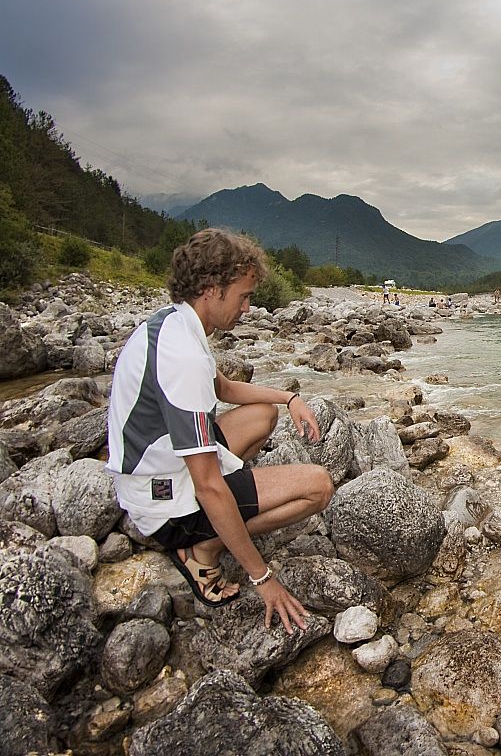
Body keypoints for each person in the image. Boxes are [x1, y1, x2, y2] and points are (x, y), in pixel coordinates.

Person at [106, 228, 335, 632]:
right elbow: (208, 485)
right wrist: (263, 578)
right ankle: (203, 549)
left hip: (157, 466)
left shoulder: (174, 323)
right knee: (318, 486)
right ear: (211, 289)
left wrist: (289, 398)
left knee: (262, 414)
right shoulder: (184, 359)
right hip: (164, 503)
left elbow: (224, 390)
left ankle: (225, 518)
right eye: (243, 296)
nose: (247, 308)